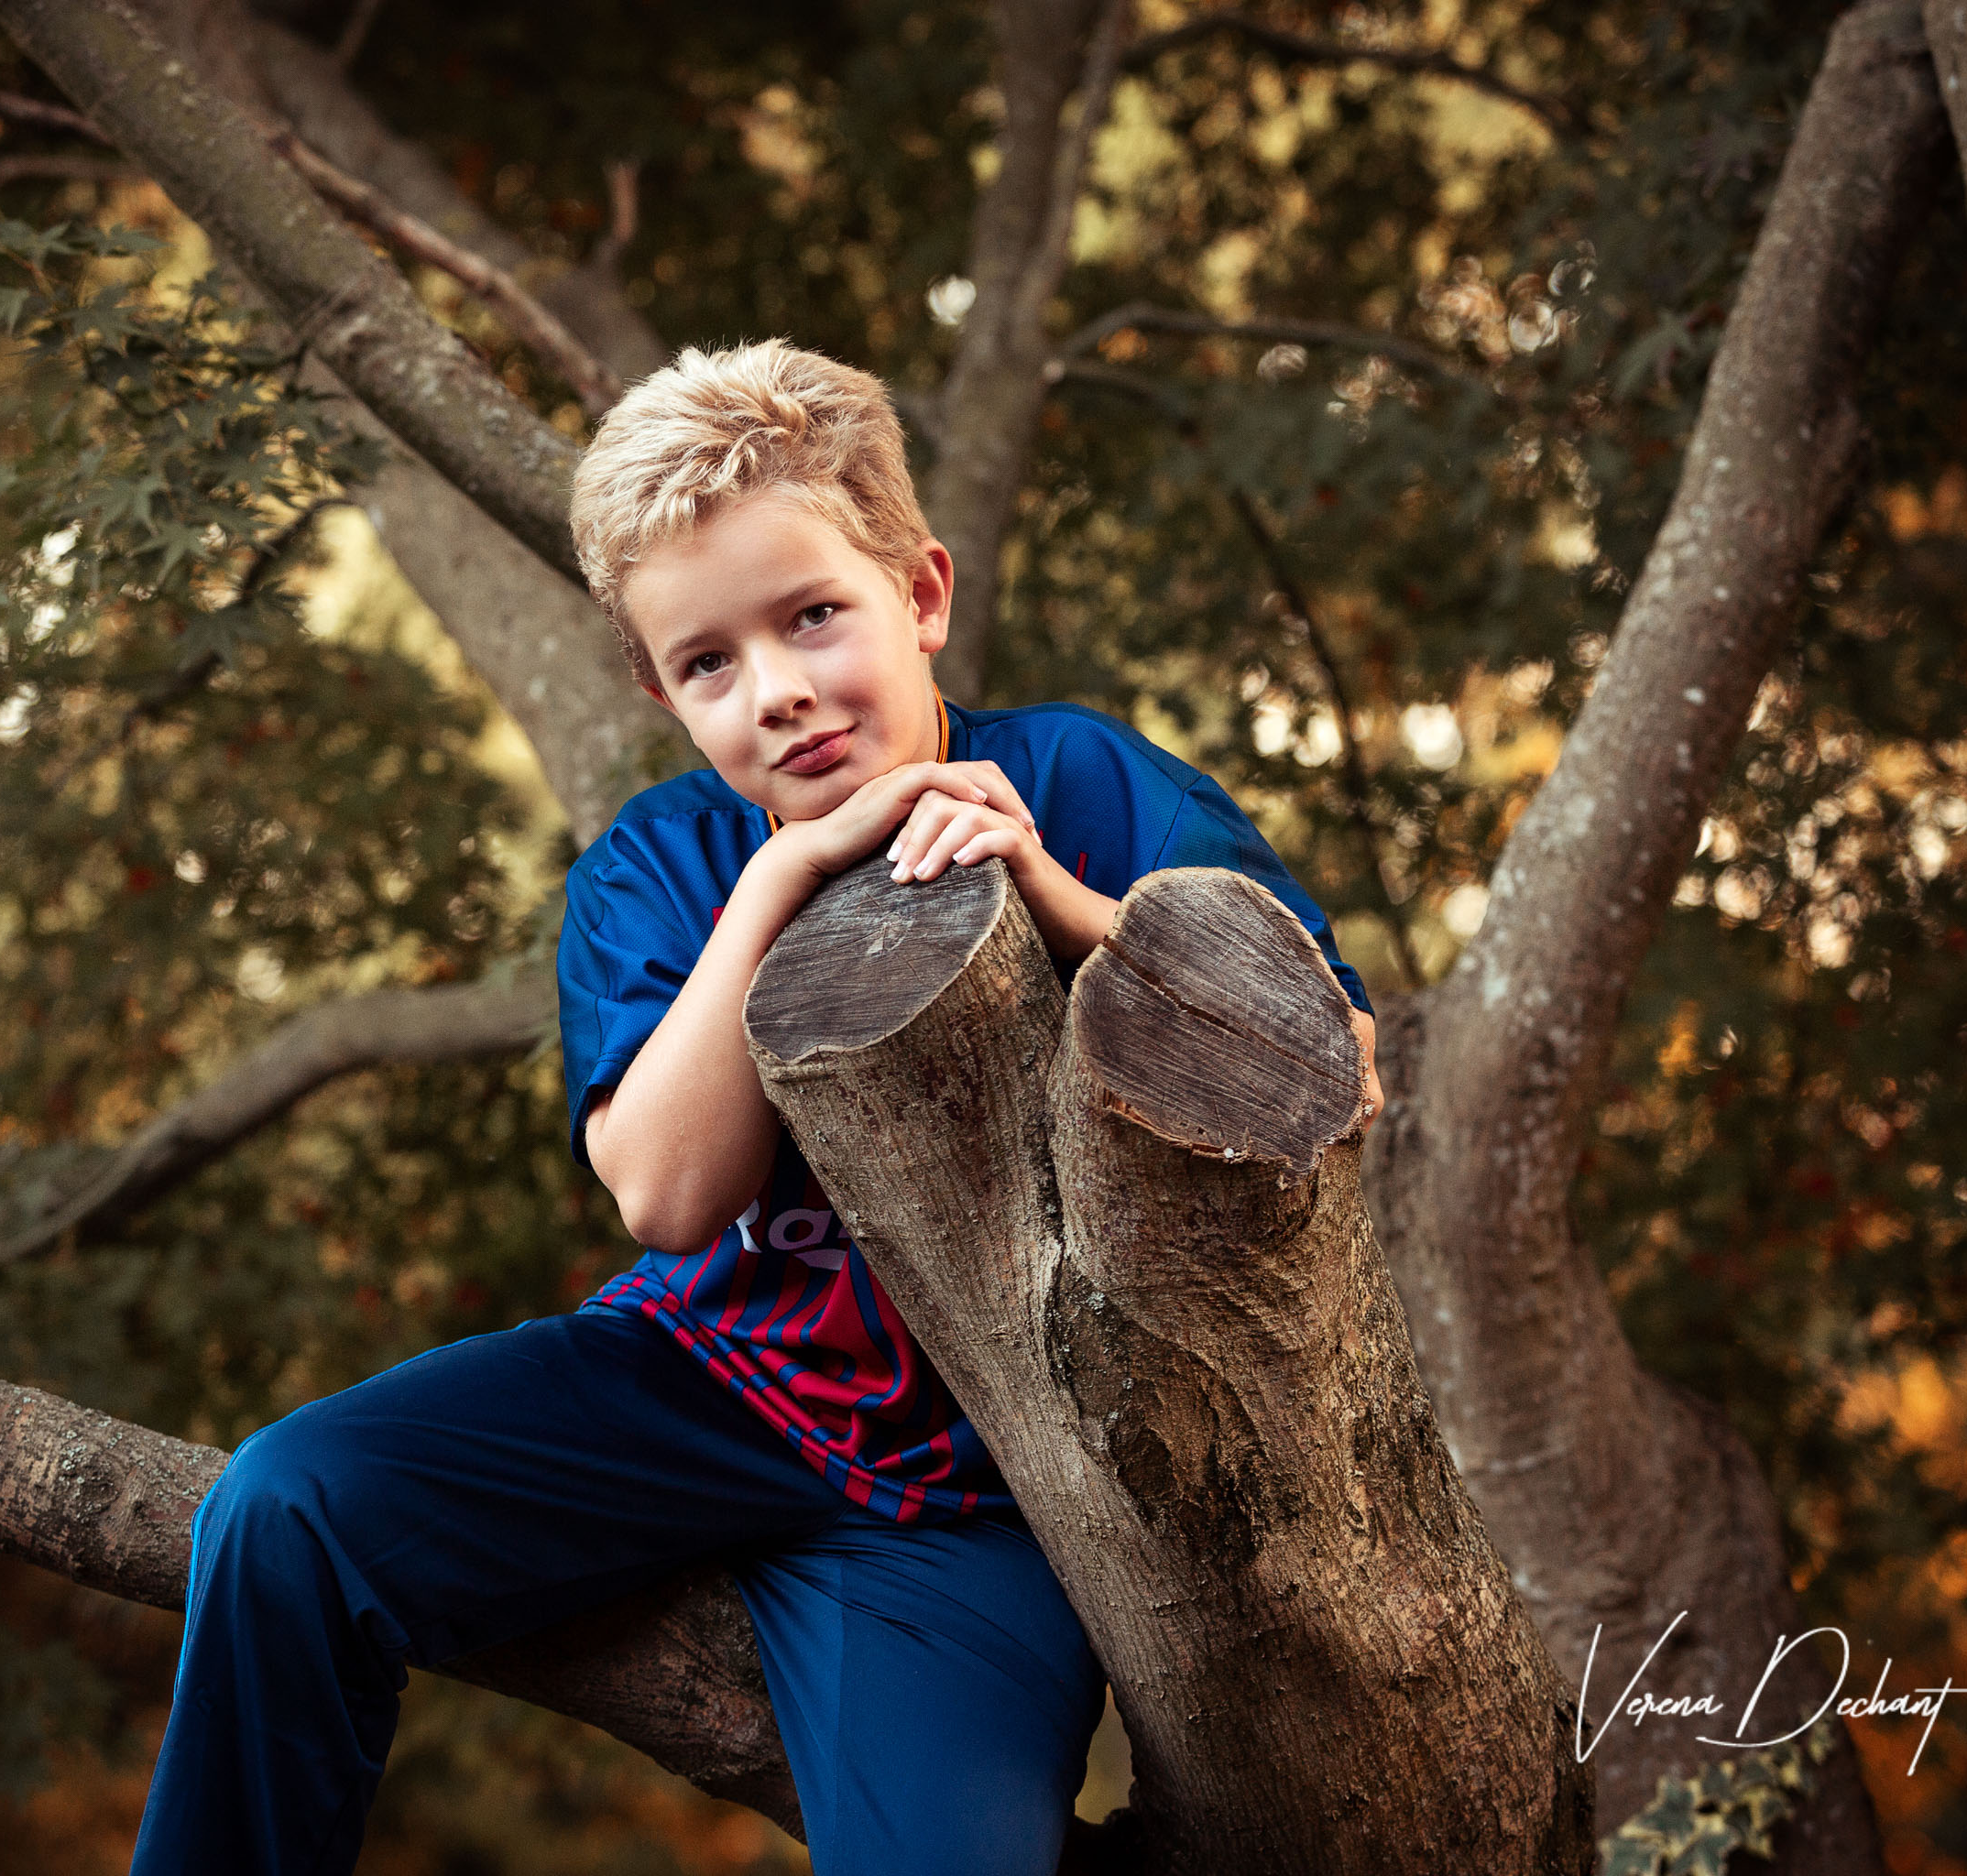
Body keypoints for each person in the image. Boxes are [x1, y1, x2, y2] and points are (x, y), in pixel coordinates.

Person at [126, 339, 1380, 1875]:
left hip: (965, 1496)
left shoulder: (1079, 775)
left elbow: (1336, 1069)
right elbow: (664, 1196)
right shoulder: (658, 869)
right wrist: (783, 873)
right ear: (662, 691)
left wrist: (1050, 890)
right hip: (691, 1391)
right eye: (709, 663)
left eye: (812, 618)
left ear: (919, 598)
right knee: (283, 1508)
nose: (776, 692)